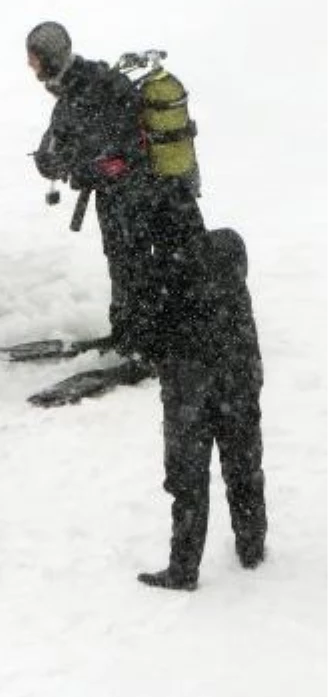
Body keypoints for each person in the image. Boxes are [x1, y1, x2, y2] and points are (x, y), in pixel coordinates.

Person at [26, 21, 205, 357]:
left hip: (136, 193)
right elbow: (60, 138)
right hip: (122, 193)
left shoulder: (89, 89)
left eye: (33, 57)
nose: (29, 65)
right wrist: (52, 159)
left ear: (50, 58)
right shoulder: (76, 85)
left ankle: (143, 341)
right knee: (124, 262)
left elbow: (117, 153)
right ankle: (127, 332)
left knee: (133, 263)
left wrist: (75, 165)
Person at [133, 228, 267, 591]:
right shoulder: (234, 282)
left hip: (189, 389)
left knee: (188, 481)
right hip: (238, 381)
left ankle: (183, 569)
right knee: (244, 467)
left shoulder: (170, 283)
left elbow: (146, 340)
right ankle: (252, 547)